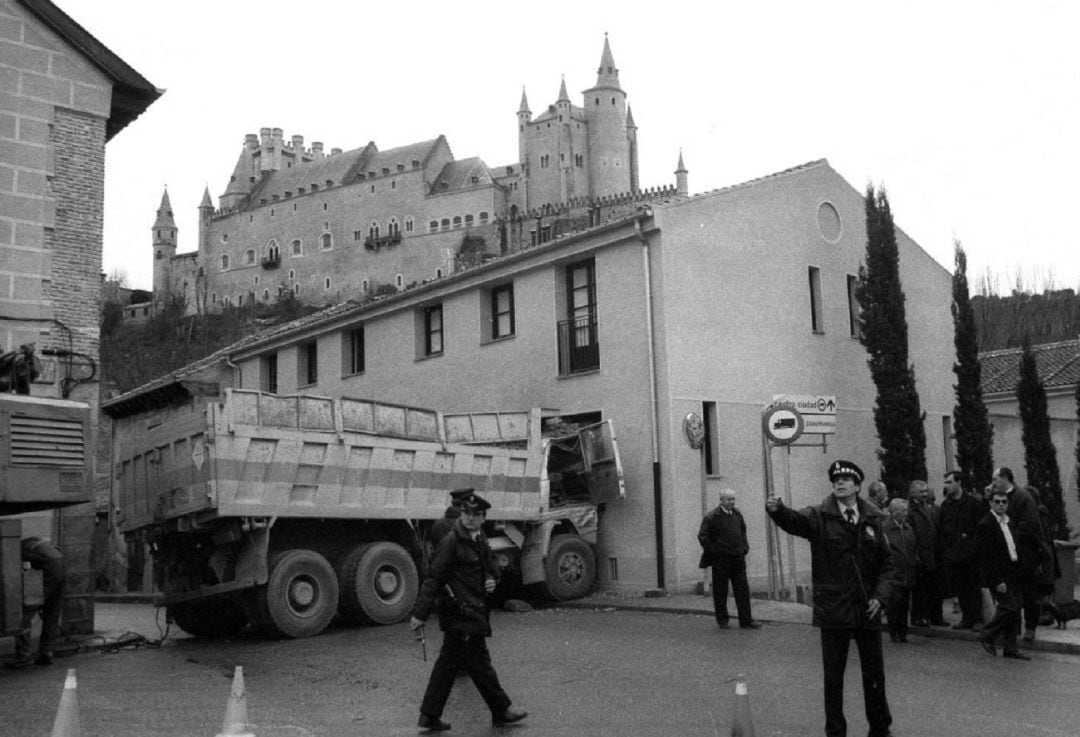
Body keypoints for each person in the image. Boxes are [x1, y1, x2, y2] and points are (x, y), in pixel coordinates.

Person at [766, 460, 895, 737]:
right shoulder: (819, 516)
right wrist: (777, 510)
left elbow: (888, 564)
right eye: (836, 479)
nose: (839, 482)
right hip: (834, 608)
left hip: (867, 608)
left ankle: (880, 729)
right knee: (833, 678)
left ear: (858, 486)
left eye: (846, 479)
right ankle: (835, 731)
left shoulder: (873, 517)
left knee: (874, 675)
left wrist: (880, 597)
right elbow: (795, 521)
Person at [410, 491, 526, 732]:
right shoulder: (452, 542)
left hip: (472, 610)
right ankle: (500, 709)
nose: (470, 518)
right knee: (473, 663)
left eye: (475, 514)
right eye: (466, 513)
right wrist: (419, 614)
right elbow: (434, 578)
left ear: (484, 518)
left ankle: (430, 716)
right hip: (460, 612)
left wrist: (492, 579)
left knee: (459, 663)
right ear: (460, 514)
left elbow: (490, 566)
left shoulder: (479, 537)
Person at [975, 488, 1030, 659]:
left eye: (1004, 502)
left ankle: (1010, 647)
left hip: (1014, 571)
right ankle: (987, 635)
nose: (1001, 505)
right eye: (997, 501)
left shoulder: (1009, 522)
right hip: (999, 574)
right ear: (990, 503)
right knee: (1009, 607)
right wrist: (997, 580)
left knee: (1015, 609)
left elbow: (1014, 547)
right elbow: (986, 557)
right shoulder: (986, 524)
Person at [990, 467, 1042, 643]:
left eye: (995, 479)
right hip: (1007, 558)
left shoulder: (1023, 498)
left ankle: (1030, 627)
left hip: (1025, 556)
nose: (993, 483)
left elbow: (1030, 525)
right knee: (1011, 596)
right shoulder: (997, 498)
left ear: (1005, 478)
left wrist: (1009, 536)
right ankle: (1012, 629)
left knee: (1029, 594)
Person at [698, 488, 762, 630]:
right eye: (728, 499)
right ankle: (723, 620)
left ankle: (746, 620)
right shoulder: (712, 517)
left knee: (742, 590)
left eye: (733, 499)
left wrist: (744, 548)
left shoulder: (737, 514)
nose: (731, 502)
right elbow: (703, 536)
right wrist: (715, 553)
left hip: (738, 558)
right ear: (721, 500)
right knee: (720, 591)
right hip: (721, 560)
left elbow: (743, 532)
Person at [5, 537, 66, 668]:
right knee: (51, 613)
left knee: (24, 612)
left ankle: (23, 655)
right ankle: (46, 653)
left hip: (48, 569)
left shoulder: (15, 549)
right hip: (61, 566)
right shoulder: (35, 543)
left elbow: (20, 573)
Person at [937, 471, 983, 630]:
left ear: (959, 483)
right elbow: (942, 529)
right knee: (960, 588)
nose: (947, 486)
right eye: (946, 483)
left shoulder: (972, 503)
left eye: (949, 482)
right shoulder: (946, 506)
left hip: (970, 554)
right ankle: (967, 617)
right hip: (953, 554)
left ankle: (977, 618)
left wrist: (975, 548)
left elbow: (980, 528)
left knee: (974, 587)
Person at [908, 480, 945, 627]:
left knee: (936, 587)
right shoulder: (911, 510)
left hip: (935, 553)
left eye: (925, 491)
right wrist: (915, 554)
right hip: (921, 554)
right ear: (913, 493)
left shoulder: (932, 507)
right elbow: (910, 534)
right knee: (920, 589)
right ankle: (918, 616)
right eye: (921, 491)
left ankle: (936, 616)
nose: (925, 494)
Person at [880, 499, 917, 643]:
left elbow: (913, 548)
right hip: (893, 573)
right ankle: (894, 631)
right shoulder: (884, 529)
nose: (906, 514)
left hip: (907, 572)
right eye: (904, 511)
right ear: (894, 512)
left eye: (906, 510)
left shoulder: (908, 528)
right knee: (894, 603)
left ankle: (903, 632)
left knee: (904, 605)